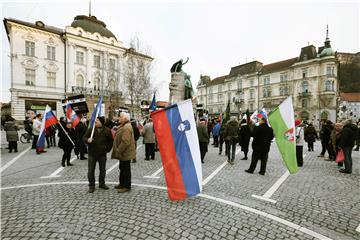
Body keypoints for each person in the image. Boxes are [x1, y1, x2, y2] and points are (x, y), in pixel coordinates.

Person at [83, 116, 114, 193]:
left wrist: (107, 149)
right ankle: (91, 185)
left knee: (102, 170)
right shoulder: (91, 129)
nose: (95, 121)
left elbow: (111, 141)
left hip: (102, 154)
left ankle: (102, 183)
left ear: (101, 122)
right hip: (92, 153)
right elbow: (84, 138)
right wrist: (87, 140)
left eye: (97, 120)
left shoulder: (107, 130)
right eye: (95, 120)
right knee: (90, 171)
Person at [111, 112, 135, 193]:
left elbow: (125, 142)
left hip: (125, 153)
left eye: (120, 117)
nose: (119, 118)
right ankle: (121, 183)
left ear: (125, 118)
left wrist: (118, 151)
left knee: (125, 170)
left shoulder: (127, 127)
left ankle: (126, 186)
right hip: (123, 153)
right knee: (122, 168)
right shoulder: (124, 125)